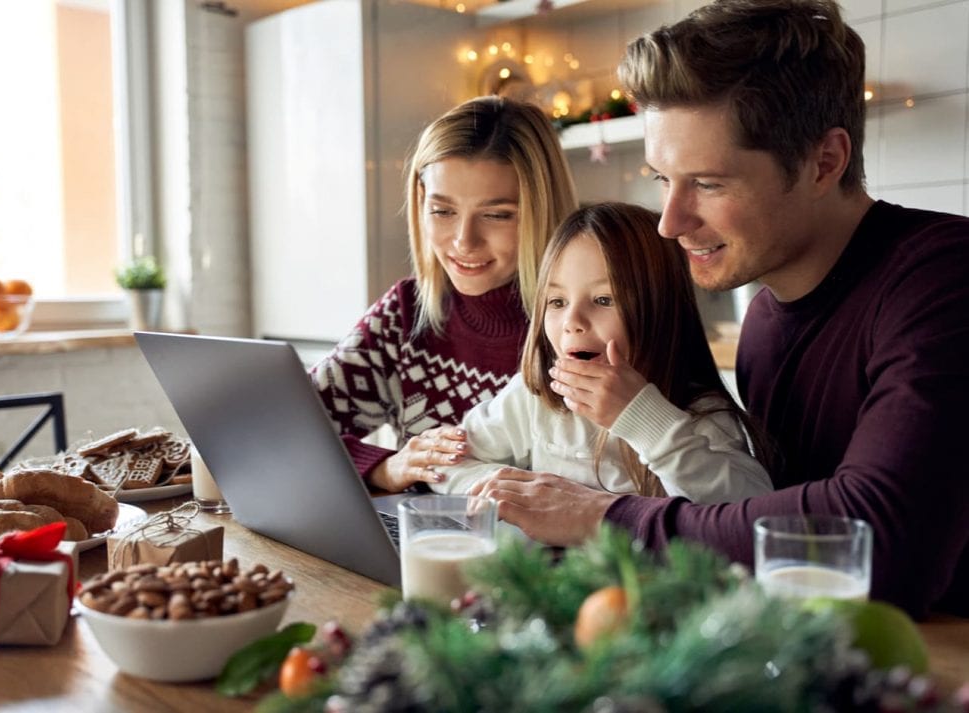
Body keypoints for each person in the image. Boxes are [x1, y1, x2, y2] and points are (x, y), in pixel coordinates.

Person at [471, 0, 969, 619]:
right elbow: (752, 517)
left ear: (825, 162)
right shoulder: (764, 321)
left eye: (707, 183)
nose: (670, 223)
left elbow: (882, 541)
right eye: (662, 180)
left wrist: (602, 517)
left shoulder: (946, 278)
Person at [311, 96, 578, 494]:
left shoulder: (585, 324)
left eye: (497, 214)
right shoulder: (406, 312)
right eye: (442, 211)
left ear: (543, 209)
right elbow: (287, 429)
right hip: (422, 551)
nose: (463, 241)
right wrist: (384, 467)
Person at [434, 202, 771, 502]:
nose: (572, 322)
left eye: (603, 300)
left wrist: (645, 420)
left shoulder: (701, 415)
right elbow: (447, 463)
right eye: (557, 302)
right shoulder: (537, 397)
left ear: (662, 312)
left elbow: (750, 510)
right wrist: (517, 490)